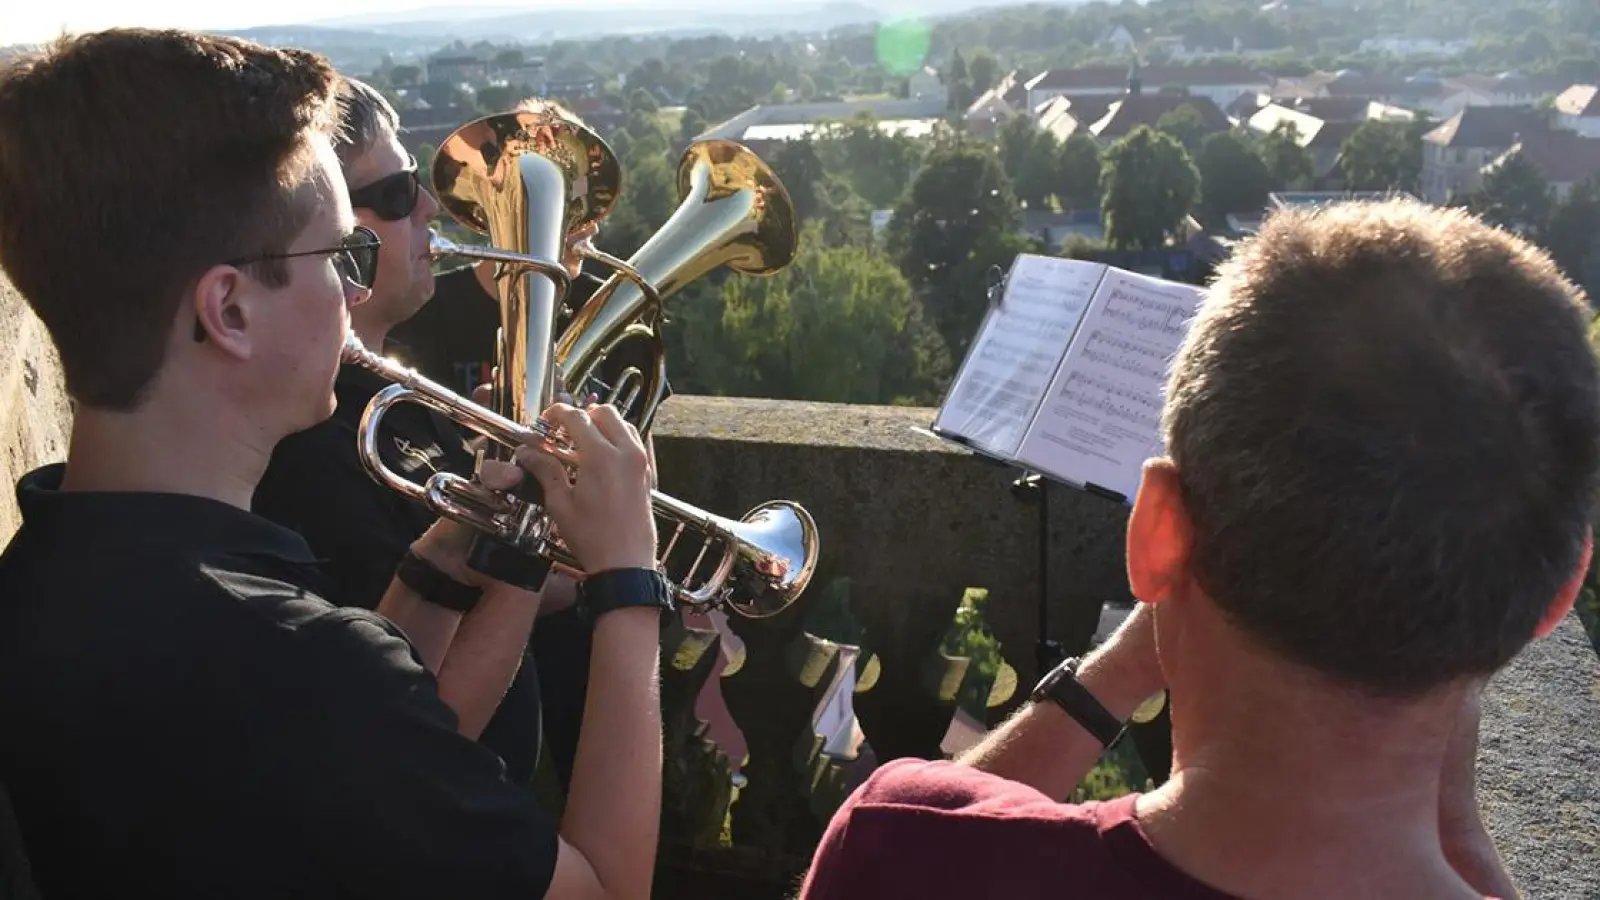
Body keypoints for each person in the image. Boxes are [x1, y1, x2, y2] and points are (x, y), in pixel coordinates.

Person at [0, 29, 667, 900]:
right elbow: (610, 890)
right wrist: (629, 582)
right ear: (229, 310)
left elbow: (368, 757)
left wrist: (442, 565)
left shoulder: (36, 576)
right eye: (340, 257)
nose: (354, 295)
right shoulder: (298, 663)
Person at [798, 199, 1599, 900]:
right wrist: (1463, 841)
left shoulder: (896, 846)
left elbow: (949, 832)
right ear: (1557, 594)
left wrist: (1113, 672)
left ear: (1154, 532)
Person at [252, 77, 586, 786]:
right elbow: (410, 695)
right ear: (333, 228)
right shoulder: (310, 442)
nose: (432, 207)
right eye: (400, 195)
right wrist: (611, 574)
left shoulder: (399, 393)